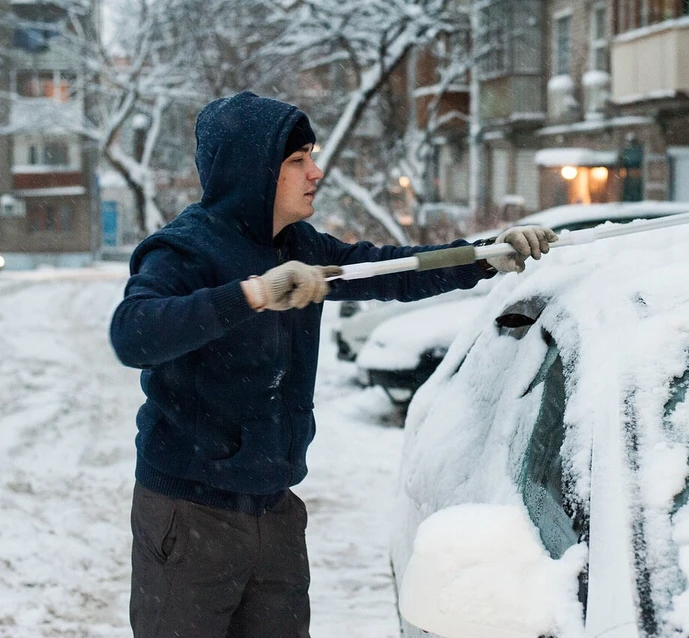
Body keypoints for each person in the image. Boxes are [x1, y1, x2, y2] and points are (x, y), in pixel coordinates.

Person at [109, 90, 557, 638]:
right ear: (252, 173)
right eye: (297, 161)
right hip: (188, 513)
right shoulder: (183, 252)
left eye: (311, 156)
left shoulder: (296, 244)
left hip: (274, 511)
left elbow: (386, 270)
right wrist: (251, 294)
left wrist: (485, 256)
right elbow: (133, 333)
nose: (315, 172)